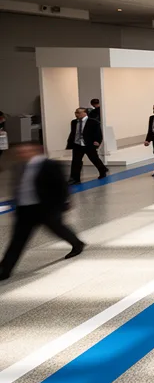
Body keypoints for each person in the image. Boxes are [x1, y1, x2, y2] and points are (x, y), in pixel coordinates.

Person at [0, 142, 86, 281]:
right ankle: (5, 269)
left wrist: (65, 202)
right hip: (25, 209)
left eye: (26, 151)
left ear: (36, 151)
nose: (22, 154)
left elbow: (61, 185)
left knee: (58, 228)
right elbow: (17, 186)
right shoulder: (19, 166)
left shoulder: (50, 165)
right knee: (18, 240)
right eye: (20, 152)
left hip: (45, 207)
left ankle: (77, 243)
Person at [66, 108, 108, 184]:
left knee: (94, 159)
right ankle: (75, 179)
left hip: (88, 144)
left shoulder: (93, 122)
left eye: (78, 112)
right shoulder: (74, 122)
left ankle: (102, 170)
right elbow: (73, 133)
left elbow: (98, 133)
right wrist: (70, 142)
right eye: (75, 112)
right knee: (76, 161)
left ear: (85, 113)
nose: (76, 114)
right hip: (77, 144)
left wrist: (97, 141)